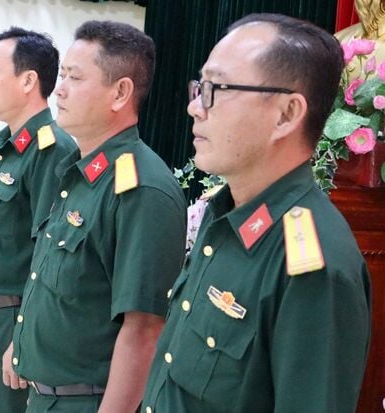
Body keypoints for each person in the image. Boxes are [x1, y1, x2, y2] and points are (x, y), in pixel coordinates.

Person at [141, 14, 371, 413]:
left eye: (216, 88)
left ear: (286, 114)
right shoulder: (225, 215)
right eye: (200, 87)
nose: (195, 107)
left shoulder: (311, 266)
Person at [7, 20, 187, 412]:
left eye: (75, 77)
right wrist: (19, 342)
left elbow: (143, 331)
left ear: (120, 92)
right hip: (45, 394)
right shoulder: (81, 171)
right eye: (62, 76)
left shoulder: (141, 188)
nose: (60, 89)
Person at [0, 27, 76, 413]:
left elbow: (48, 253)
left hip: (9, 320)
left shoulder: (51, 149)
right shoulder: (7, 146)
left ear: (28, 81)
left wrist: (21, 337)